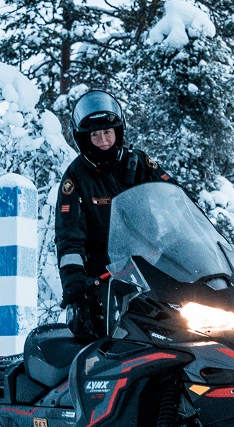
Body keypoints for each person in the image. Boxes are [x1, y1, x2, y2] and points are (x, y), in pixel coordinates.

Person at [55, 90, 176, 340]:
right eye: (95, 135)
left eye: (108, 132)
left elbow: (175, 196)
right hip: (104, 280)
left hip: (150, 269)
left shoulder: (138, 163)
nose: (103, 140)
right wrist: (74, 283)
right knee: (108, 343)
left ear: (118, 132)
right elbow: (69, 236)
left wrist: (186, 241)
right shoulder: (76, 177)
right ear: (84, 138)